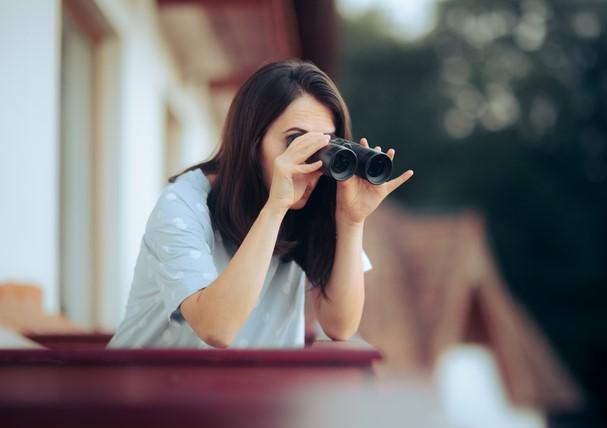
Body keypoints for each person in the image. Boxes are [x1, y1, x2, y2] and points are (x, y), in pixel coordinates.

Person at [107, 58, 413, 349]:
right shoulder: (184, 203)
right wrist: (275, 207)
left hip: (238, 398)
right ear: (253, 143)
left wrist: (351, 221)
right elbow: (217, 328)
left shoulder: (315, 202)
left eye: (326, 145)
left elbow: (340, 326)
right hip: (141, 392)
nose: (313, 161)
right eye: (296, 141)